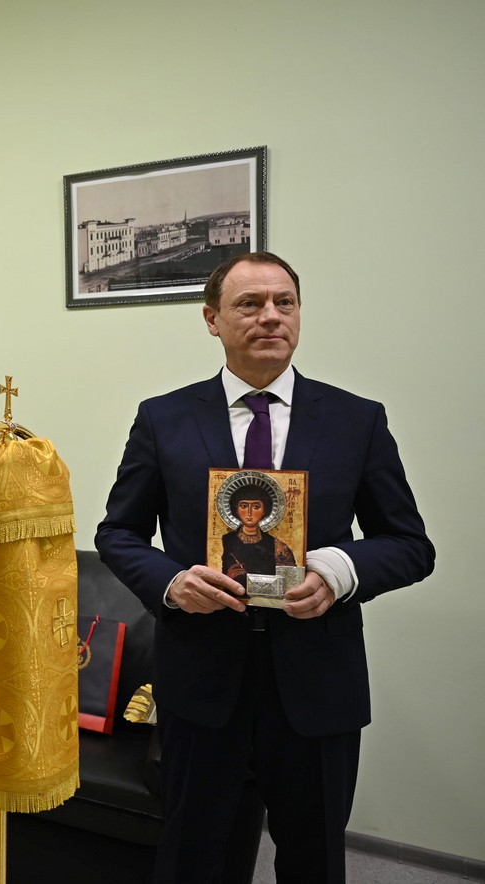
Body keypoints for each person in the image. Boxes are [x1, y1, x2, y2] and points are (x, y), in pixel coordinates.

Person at [95, 251, 435, 883]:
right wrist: (171, 582)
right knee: (196, 855)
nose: (270, 316)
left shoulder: (356, 419)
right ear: (212, 320)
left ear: (299, 314)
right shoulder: (163, 418)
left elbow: (410, 544)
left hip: (317, 682)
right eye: (249, 304)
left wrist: (338, 570)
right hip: (202, 678)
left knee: (313, 857)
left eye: (285, 302)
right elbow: (117, 532)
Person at [220, 482, 297, 585]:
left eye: (256, 507)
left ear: (265, 510)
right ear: (236, 509)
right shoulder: (223, 542)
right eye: (244, 506)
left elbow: (289, 583)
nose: (249, 513)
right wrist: (226, 578)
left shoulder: (277, 546)